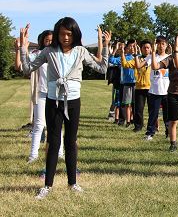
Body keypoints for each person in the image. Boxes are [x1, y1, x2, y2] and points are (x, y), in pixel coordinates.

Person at [19, 17, 110, 199]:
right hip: (53, 101)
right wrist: (23, 47)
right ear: (57, 34)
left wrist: (106, 46)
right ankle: (47, 185)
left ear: (74, 34)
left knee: (70, 141)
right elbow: (27, 69)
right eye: (62, 34)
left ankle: (73, 183)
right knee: (53, 142)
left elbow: (102, 68)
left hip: (73, 101)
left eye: (69, 34)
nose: (65, 37)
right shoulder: (48, 51)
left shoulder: (80, 51)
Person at [15, 29, 64, 163]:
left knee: (57, 126)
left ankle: (60, 154)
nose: (49, 42)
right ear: (42, 41)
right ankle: (33, 156)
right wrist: (22, 45)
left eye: (51, 40)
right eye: (46, 40)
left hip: (56, 94)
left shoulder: (59, 53)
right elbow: (20, 66)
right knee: (39, 125)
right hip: (41, 94)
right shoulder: (37, 54)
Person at [155, 33, 178, 153]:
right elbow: (158, 66)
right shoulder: (171, 58)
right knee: (173, 121)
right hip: (173, 94)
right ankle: (173, 144)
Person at [122, 40, 152, 132]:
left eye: (148, 47)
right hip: (139, 87)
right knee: (138, 110)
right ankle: (138, 126)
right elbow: (125, 64)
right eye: (144, 47)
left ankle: (153, 127)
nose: (146, 49)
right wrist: (123, 53)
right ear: (141, 48)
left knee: (153, 109)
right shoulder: (137, 59)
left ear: (151, 49)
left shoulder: (154, 58)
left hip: (151, 88)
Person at [144, 36, 170, 141]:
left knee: (167, 115)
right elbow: (141, 64)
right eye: (158, 44)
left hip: (167, 91)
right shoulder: (152, 56)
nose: (160, 46)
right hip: (154, 90)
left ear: (166, 45)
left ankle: (169, 133)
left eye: (163, 44)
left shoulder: (170, 57)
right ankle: (150, 133)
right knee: (153, 114)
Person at [109, 40, 137, 127]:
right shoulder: (123, 57)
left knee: (135, 104)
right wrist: (115, 49)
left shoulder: (138, 57)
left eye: (134, 46)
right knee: (125, 103)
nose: (132, 48)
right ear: (127, 48)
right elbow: (111, 60)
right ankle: (123, 120)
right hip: (126, 83)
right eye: (130, 46)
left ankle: (133, 120)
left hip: (137, 83)